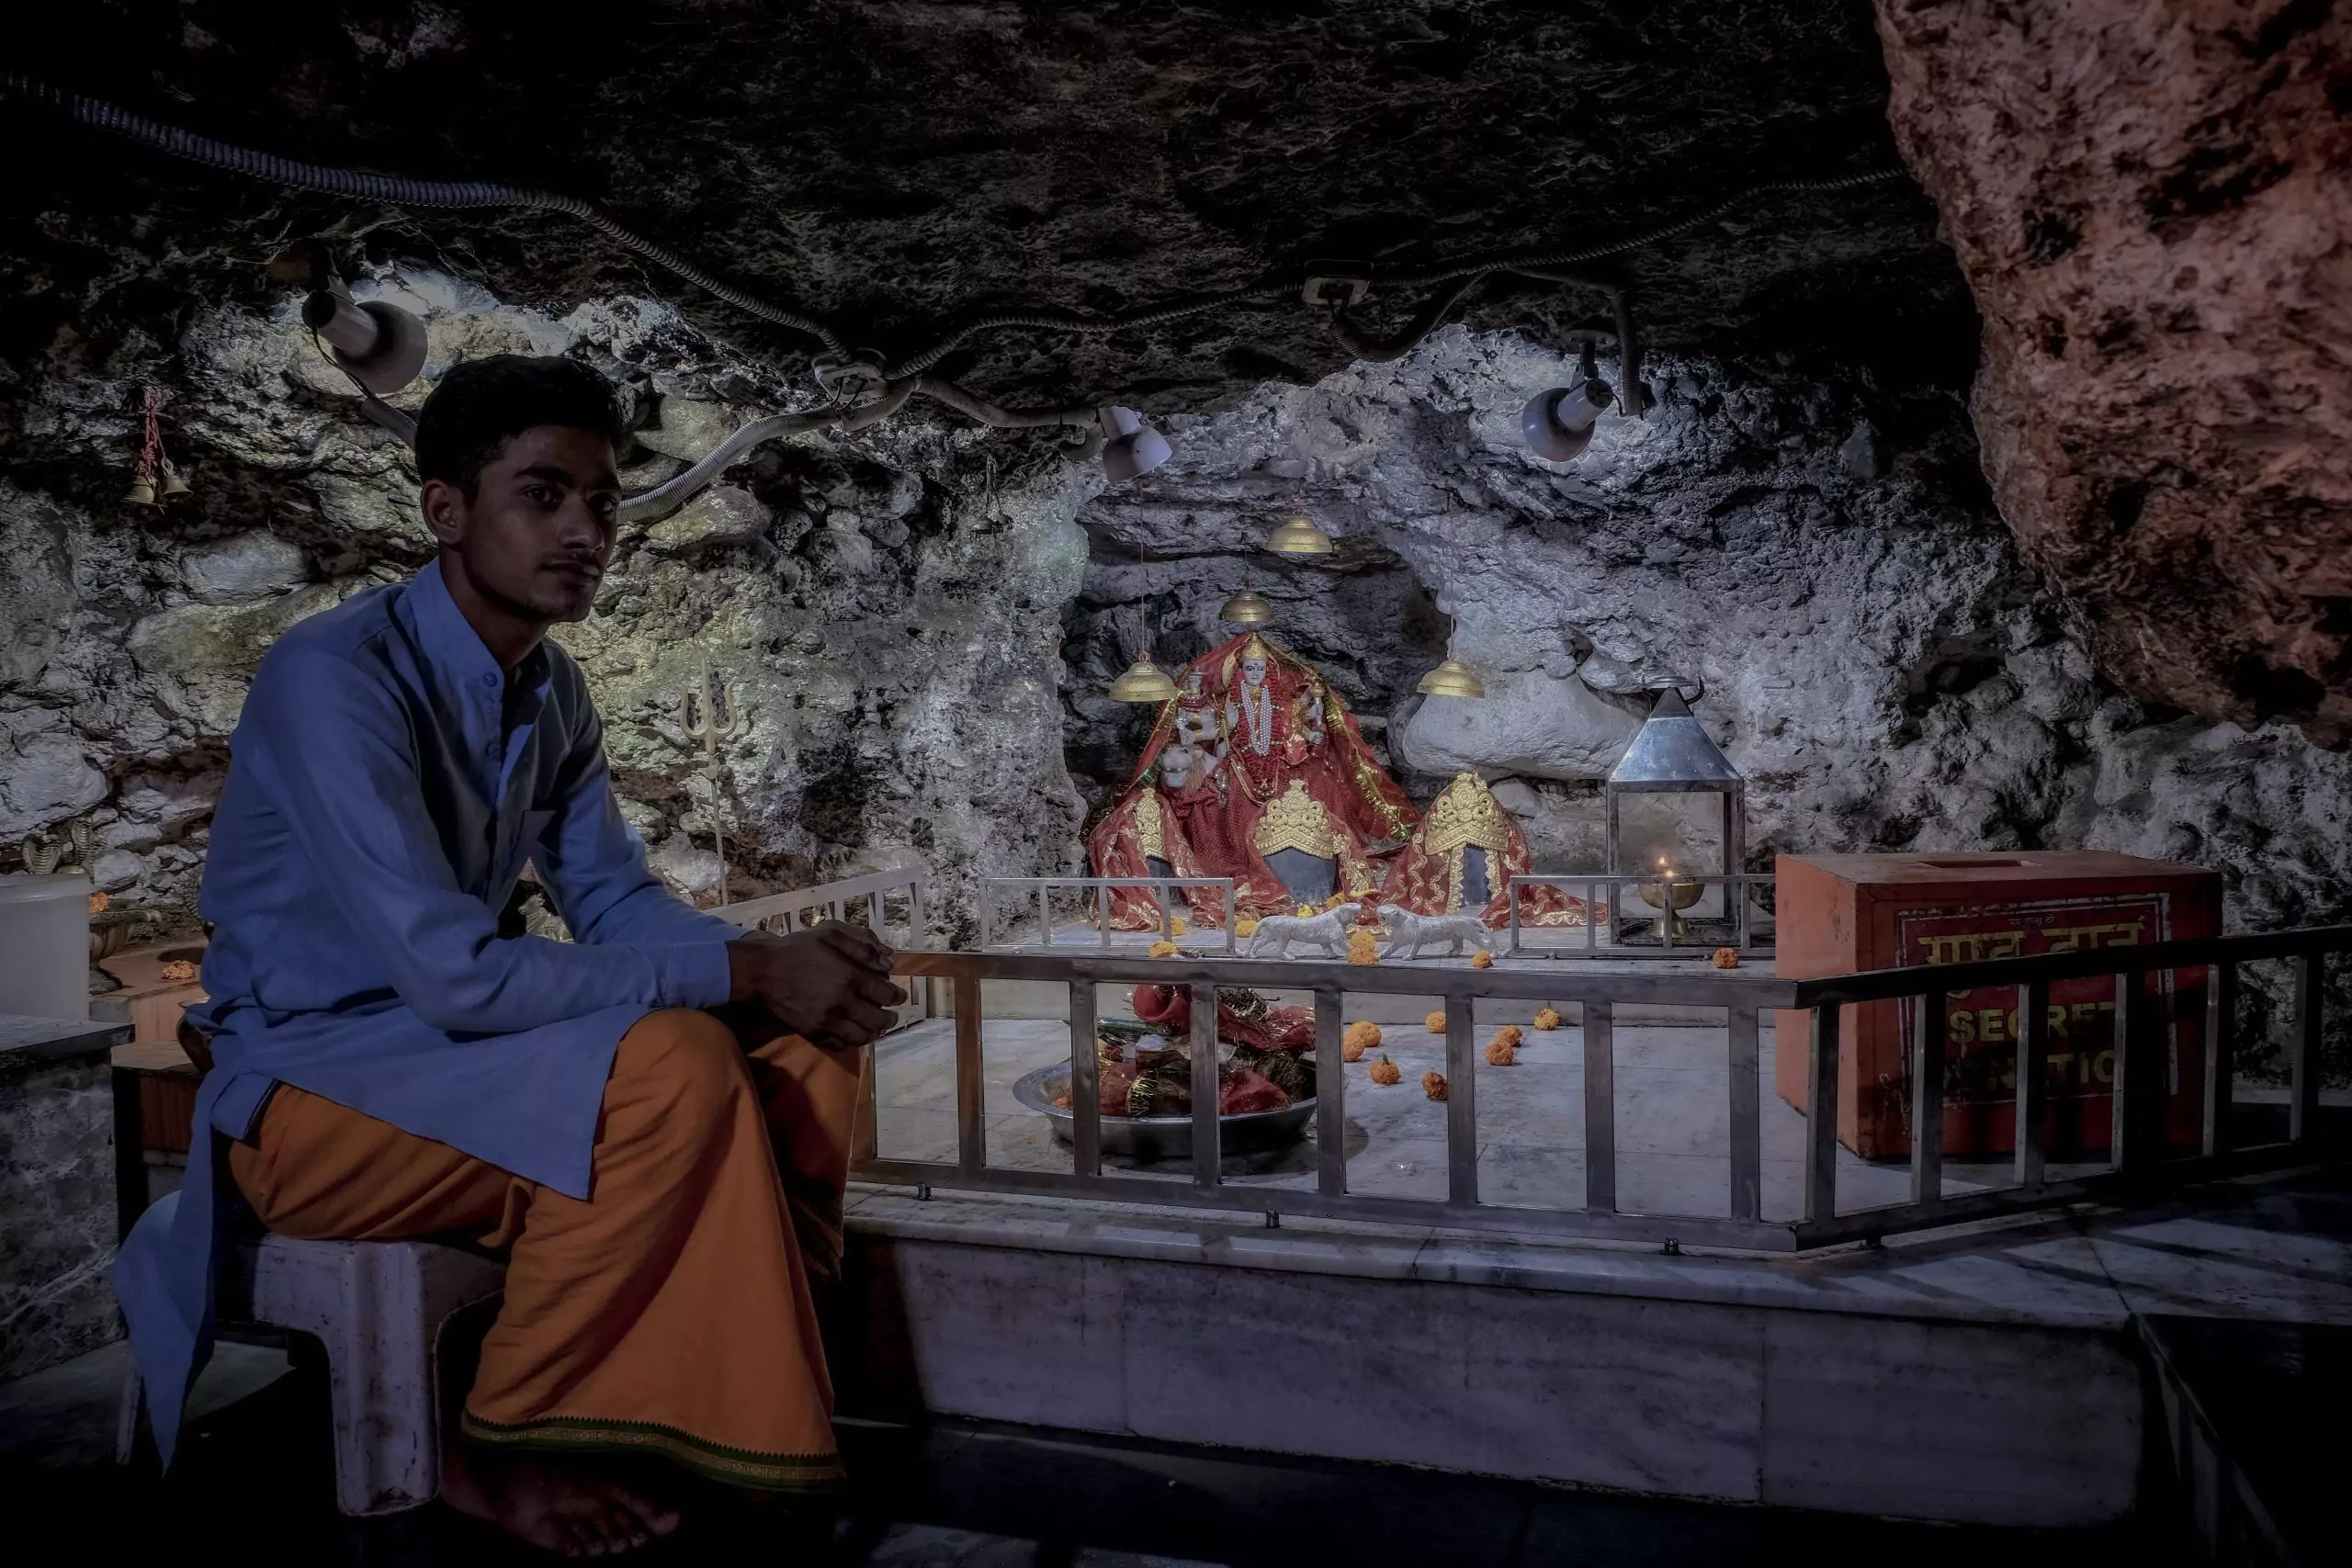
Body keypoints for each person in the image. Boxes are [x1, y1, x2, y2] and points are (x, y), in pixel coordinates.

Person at [113, 355, 902, 1556]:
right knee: (675, 1065)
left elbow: (616, 905)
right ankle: (510, 1443)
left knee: (798, 1042)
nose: (587, 530)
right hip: (312, 1098)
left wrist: (777, 962)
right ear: (445, 511)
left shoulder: (550, 688)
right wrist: (742, 973)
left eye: (601, 499)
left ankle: (716, 1398)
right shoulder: (335, 677)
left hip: (447, 1068)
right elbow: (458, 975)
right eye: (544, 494)